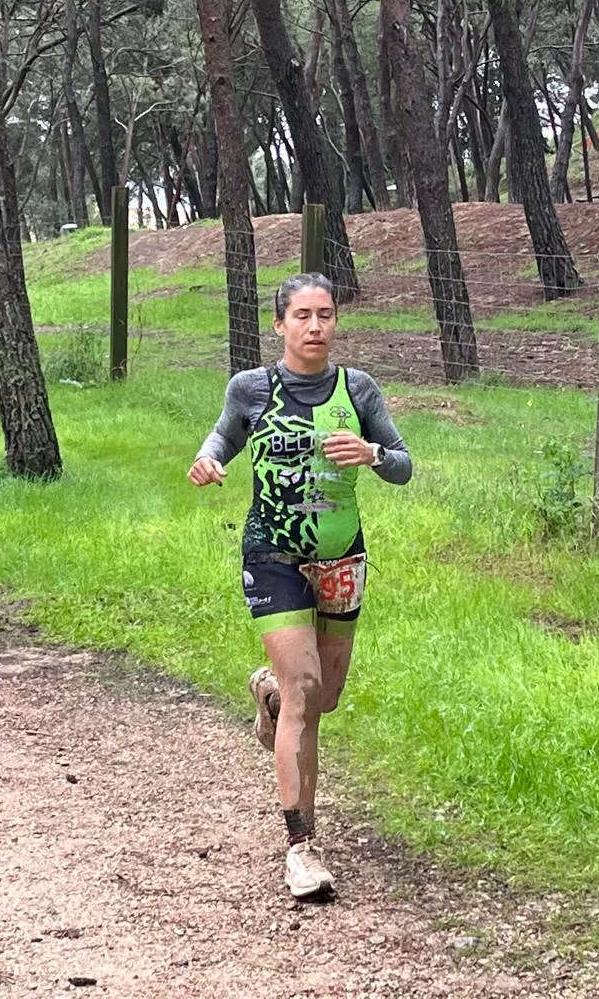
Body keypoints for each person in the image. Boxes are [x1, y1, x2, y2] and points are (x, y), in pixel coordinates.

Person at [189, 273, 412, 899]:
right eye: (303, 316)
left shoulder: (358, 389)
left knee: (325, 697)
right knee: (305, 687)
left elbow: (403, 465)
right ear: (279, 325)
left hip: (342, 557)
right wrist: (209, 463)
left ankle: (269, 696)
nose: (316, 327)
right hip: (274, 556)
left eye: (327, 316)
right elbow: (223, 437)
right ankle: (300, 848)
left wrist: (370, 454)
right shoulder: (252, 388)